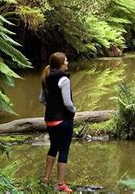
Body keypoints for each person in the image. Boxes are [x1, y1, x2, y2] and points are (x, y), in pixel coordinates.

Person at [39, 52, 76, 192]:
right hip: (63, 120)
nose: (67, 63)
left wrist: (53, 106)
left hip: (50, 120)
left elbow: (42, 99)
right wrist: (74, 110)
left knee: (53, 147)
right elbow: (67, 102)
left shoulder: (46, 77)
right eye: (66, 61)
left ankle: (46, 179)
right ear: (61, 64)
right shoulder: (64, 79)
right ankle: (61, 184)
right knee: (64, 149)